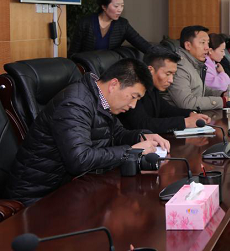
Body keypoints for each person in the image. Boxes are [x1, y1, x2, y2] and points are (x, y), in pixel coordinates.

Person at [2, 59, 170, 205]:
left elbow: (117, 134)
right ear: (114, 84)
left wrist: (141, 135)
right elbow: (80, 159)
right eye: (133, 96)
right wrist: (131, 152)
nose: (133, 105)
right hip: (38, 196)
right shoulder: (74, 104)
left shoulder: (100, 99)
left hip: (70, 187)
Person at [119, 47, 212, 133]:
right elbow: (142, 124)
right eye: (168, 74)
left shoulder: (153, 88)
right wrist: (185, 122)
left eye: (173, 74)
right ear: (150, 70)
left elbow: (166, 110)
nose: (171, 80)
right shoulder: (133, 90)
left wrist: (191, 114)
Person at [68, 0, 152, 57]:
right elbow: (73, 53)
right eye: (116, 6)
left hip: (109, 69)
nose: (120, 10)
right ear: (104, 7)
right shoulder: (85, 23)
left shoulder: (123, 24)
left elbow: (142, 44)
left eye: (122, 6)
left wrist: (159, 54)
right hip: (86, 68)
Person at [165, 25, 227, 111]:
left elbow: (201, 90)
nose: (207, 48)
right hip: (180, 117)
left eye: (208, 43)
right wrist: (222, 101)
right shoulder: (178, 67)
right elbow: (186, 103)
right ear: (188, 45)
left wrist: (222, 94)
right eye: (202, 42)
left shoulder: (194, 63)